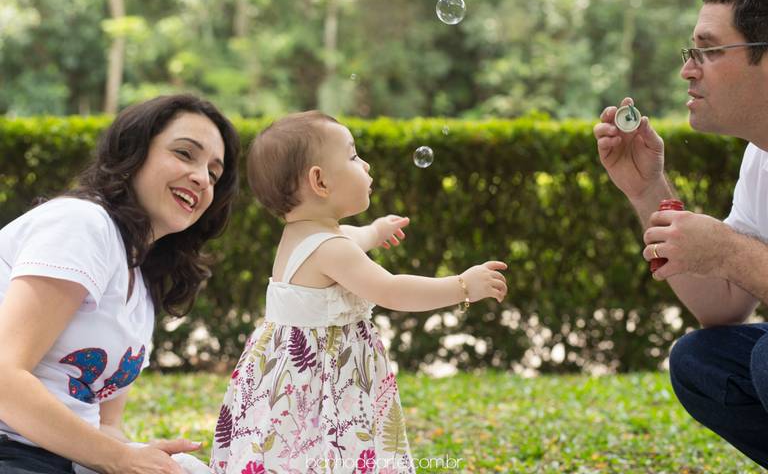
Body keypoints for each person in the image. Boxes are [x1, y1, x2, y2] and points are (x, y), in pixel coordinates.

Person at [209, 111, 507, 473]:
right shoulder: (331, 249)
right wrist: (462, 285)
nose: (365, 164)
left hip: (290, 379)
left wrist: (377, 230)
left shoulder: (308, 236)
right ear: (319, 181)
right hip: (323, 379)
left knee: (295, 451)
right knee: (333, 450)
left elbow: (355, 236)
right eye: (352, 156)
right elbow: (392, 290)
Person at [0, 94, 240, 474]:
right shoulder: (81, 224)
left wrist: (150, 458)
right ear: (134, 153)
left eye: (213, 173)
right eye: (184, 153)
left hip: (60, 459)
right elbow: (3, 377)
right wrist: (121, 458)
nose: (201, 177)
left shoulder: (141, 285)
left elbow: (105, 427)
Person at [593, 0, 768, 467]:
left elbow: (738, 262)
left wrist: (733, 251)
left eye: (709, 52)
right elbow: (724, 308)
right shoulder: (761, 154)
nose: (688, 70)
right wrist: (648, 190)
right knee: (703, 361)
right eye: (690, 52)